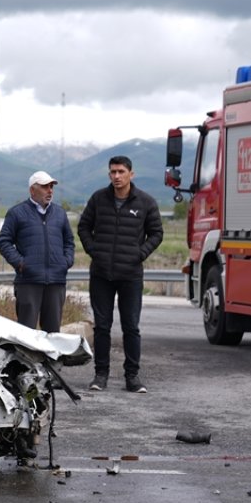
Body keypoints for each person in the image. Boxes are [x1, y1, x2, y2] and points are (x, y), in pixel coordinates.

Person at [77, 156, 163, 394]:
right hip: (101, 274)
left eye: (121, 172)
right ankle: (100, 375)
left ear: (130, 174)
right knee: (102, 327)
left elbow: (156, 233)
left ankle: (132, 377)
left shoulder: (145, 202)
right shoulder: (98, 199)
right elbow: (84, 226)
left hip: (131, 275)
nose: (116, 176)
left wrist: (140, 253)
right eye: (113, 172)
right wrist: (93, 250)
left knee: (131, 327)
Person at [0, 170, 74, 333]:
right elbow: (4, 242)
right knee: (26, 333)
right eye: (45, 186)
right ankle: (27, 360)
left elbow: (69, 241)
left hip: (55, 281)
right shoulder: (17, 213)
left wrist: (65, 262)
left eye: (51, 186)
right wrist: (21, 264)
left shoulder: (60, 213)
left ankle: (51, 360)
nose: (50, 190)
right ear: (33, 189)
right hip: (29, 281)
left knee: (53, 334)